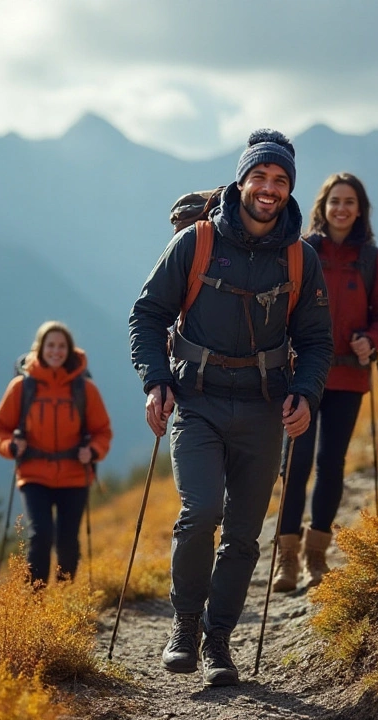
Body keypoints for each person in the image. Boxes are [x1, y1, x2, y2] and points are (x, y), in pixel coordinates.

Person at [128, 129, 333, 687]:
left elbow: (317, 340)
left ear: (290, 190)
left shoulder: (300, 258)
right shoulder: (194, 243)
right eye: (260, 177)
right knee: (201, 513)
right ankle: (186, 627)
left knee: (244, 532)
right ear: (241, 181)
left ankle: (219, 643)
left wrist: (307, 392)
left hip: (266, 409)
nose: (269, 189)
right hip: (197, 402)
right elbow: (146, 316)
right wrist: (155, 381)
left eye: (280, 181)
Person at [273, 173, 378, 593]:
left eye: (350, 201)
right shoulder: (299, 251)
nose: (342, 208)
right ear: (323, 206)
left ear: (360, 208)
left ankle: (317, 555)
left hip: (348, 376)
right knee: (294, 465)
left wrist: (373, 339)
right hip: (299, 376)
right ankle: (287, 560)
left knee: (331, 465)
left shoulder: (374, 261)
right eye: (335, 201)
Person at [0, 321, 112, 586]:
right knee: (40, 535)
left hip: (75, 476)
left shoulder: (85, 389)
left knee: (68, 541)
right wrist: (10, 446)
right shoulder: (22, 388)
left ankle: (64, 599)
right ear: (40, 349)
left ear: (69, 350)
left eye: (61, 346)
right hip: (34, 475)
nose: (56, 351)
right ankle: (35, 603)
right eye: (51, 345)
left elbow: (103, 431)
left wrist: (92, 451)